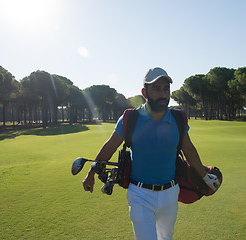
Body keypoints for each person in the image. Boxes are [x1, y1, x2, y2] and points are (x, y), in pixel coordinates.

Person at [82, 67, 220, 240]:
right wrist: (91, 173)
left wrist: (205, 176)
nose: (163, 94)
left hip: (170, 194)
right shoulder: (129, 118)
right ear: (144, 92)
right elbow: (109, 147)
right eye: (156, 88)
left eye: (166, 88)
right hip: (140, 195)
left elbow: (189, 150)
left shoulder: (179, 119)